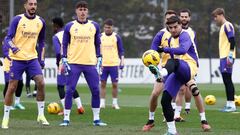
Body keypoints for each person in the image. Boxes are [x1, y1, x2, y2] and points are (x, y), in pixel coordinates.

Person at [1, 0, 49, 129]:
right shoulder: (17, 19)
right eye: (30, 4)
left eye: (35, 4)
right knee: (12, 87)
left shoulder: (41, 22)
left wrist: (41, 59)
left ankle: (41, 115)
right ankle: (5, 119)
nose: (33, 6)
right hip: (17, 59)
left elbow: (42, 42)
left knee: (41, 83)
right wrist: (14, 47)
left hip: (32, 59)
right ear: (25, 6)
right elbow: (7, 38)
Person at [149, 16, 198, 135]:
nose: (173, 29)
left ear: (181, 25)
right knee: (165, 100)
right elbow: (173, 59)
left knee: (173, 62)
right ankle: (172, 131)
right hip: (178, 70)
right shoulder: (170, 39)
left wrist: (165, 49)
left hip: (190, 67)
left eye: (176, 26)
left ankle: (161, 72)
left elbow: (182, 50)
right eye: (170, 28)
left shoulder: (185, 35)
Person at [59, 1, 107, 126]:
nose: (82, 12)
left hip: (90, 64)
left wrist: (100, 57)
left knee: (96, 90)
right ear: (76, 11)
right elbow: (64, 44)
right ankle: (66, 119)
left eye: (84, 9)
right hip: (73, 63)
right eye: (80, 9)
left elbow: (98, 44)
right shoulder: (70, 26)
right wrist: (63, 58)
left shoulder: (94, 26)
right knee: (69, 90)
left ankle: (96, 119)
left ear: (87, 11)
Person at [173, 9, 211, 131]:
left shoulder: (189, 33)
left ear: (189, 18)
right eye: (182, 16)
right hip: (178, 63)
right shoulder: (173, 32)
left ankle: (203, 119)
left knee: (192, 89)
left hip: (189, 64)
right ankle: (176, 114)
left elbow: (186, 49)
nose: (184, 18)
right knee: (181, 89)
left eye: (186, 17)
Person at [142, 10, 177, 132]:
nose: (170, 21)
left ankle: (202, 120)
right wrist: (156, 68)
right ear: (165, 21)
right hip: (164, 69)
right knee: (155, 93)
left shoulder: (182, 33)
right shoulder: (160, 34)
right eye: (168, 19)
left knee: (185, 91)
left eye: (172, 18)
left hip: (179, 67)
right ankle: (151, 119)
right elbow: (152, 54)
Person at [52, 17, 85, 115]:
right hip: (74, 60)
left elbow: (58, 52)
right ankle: (80, 107)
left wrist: (59, 63)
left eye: (53, 25)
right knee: (71, 85)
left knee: (60, 86)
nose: (52, 27)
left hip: (64, 61)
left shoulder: (56, 37)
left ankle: (64, 110)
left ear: (56, 25)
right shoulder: (69, 32)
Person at [211, 8, 236, 112]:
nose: (215, 19)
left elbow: (232, 40)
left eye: (216, 17)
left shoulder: (227, 25)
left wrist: (230, 54)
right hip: (223, 57)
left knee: (228, 80)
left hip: (227, 56)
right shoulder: (222, 27)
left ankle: (231, 105)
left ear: (221, 15)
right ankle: (229, 104)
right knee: (226, 80)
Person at [99, 18, 124, 110]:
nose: (107, 29)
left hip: (113, 64)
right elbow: (97, 50)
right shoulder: (100, 37)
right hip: (103, 65)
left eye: (109, 27)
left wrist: (122, 61)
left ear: (112, 28)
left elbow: (121, 51)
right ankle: (102, 103)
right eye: (105, 27)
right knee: (102, 84)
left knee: (115, 84)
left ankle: (114, 103)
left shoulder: (116, 37)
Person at [2, 36, 25, 110]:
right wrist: (13, 58)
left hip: (18, 62)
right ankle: (7, 104)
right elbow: (5, 52)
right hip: (9, 63)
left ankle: (17, 103)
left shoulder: (19, 37)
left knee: (20, 83)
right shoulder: (7, 39)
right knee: (8, 83)